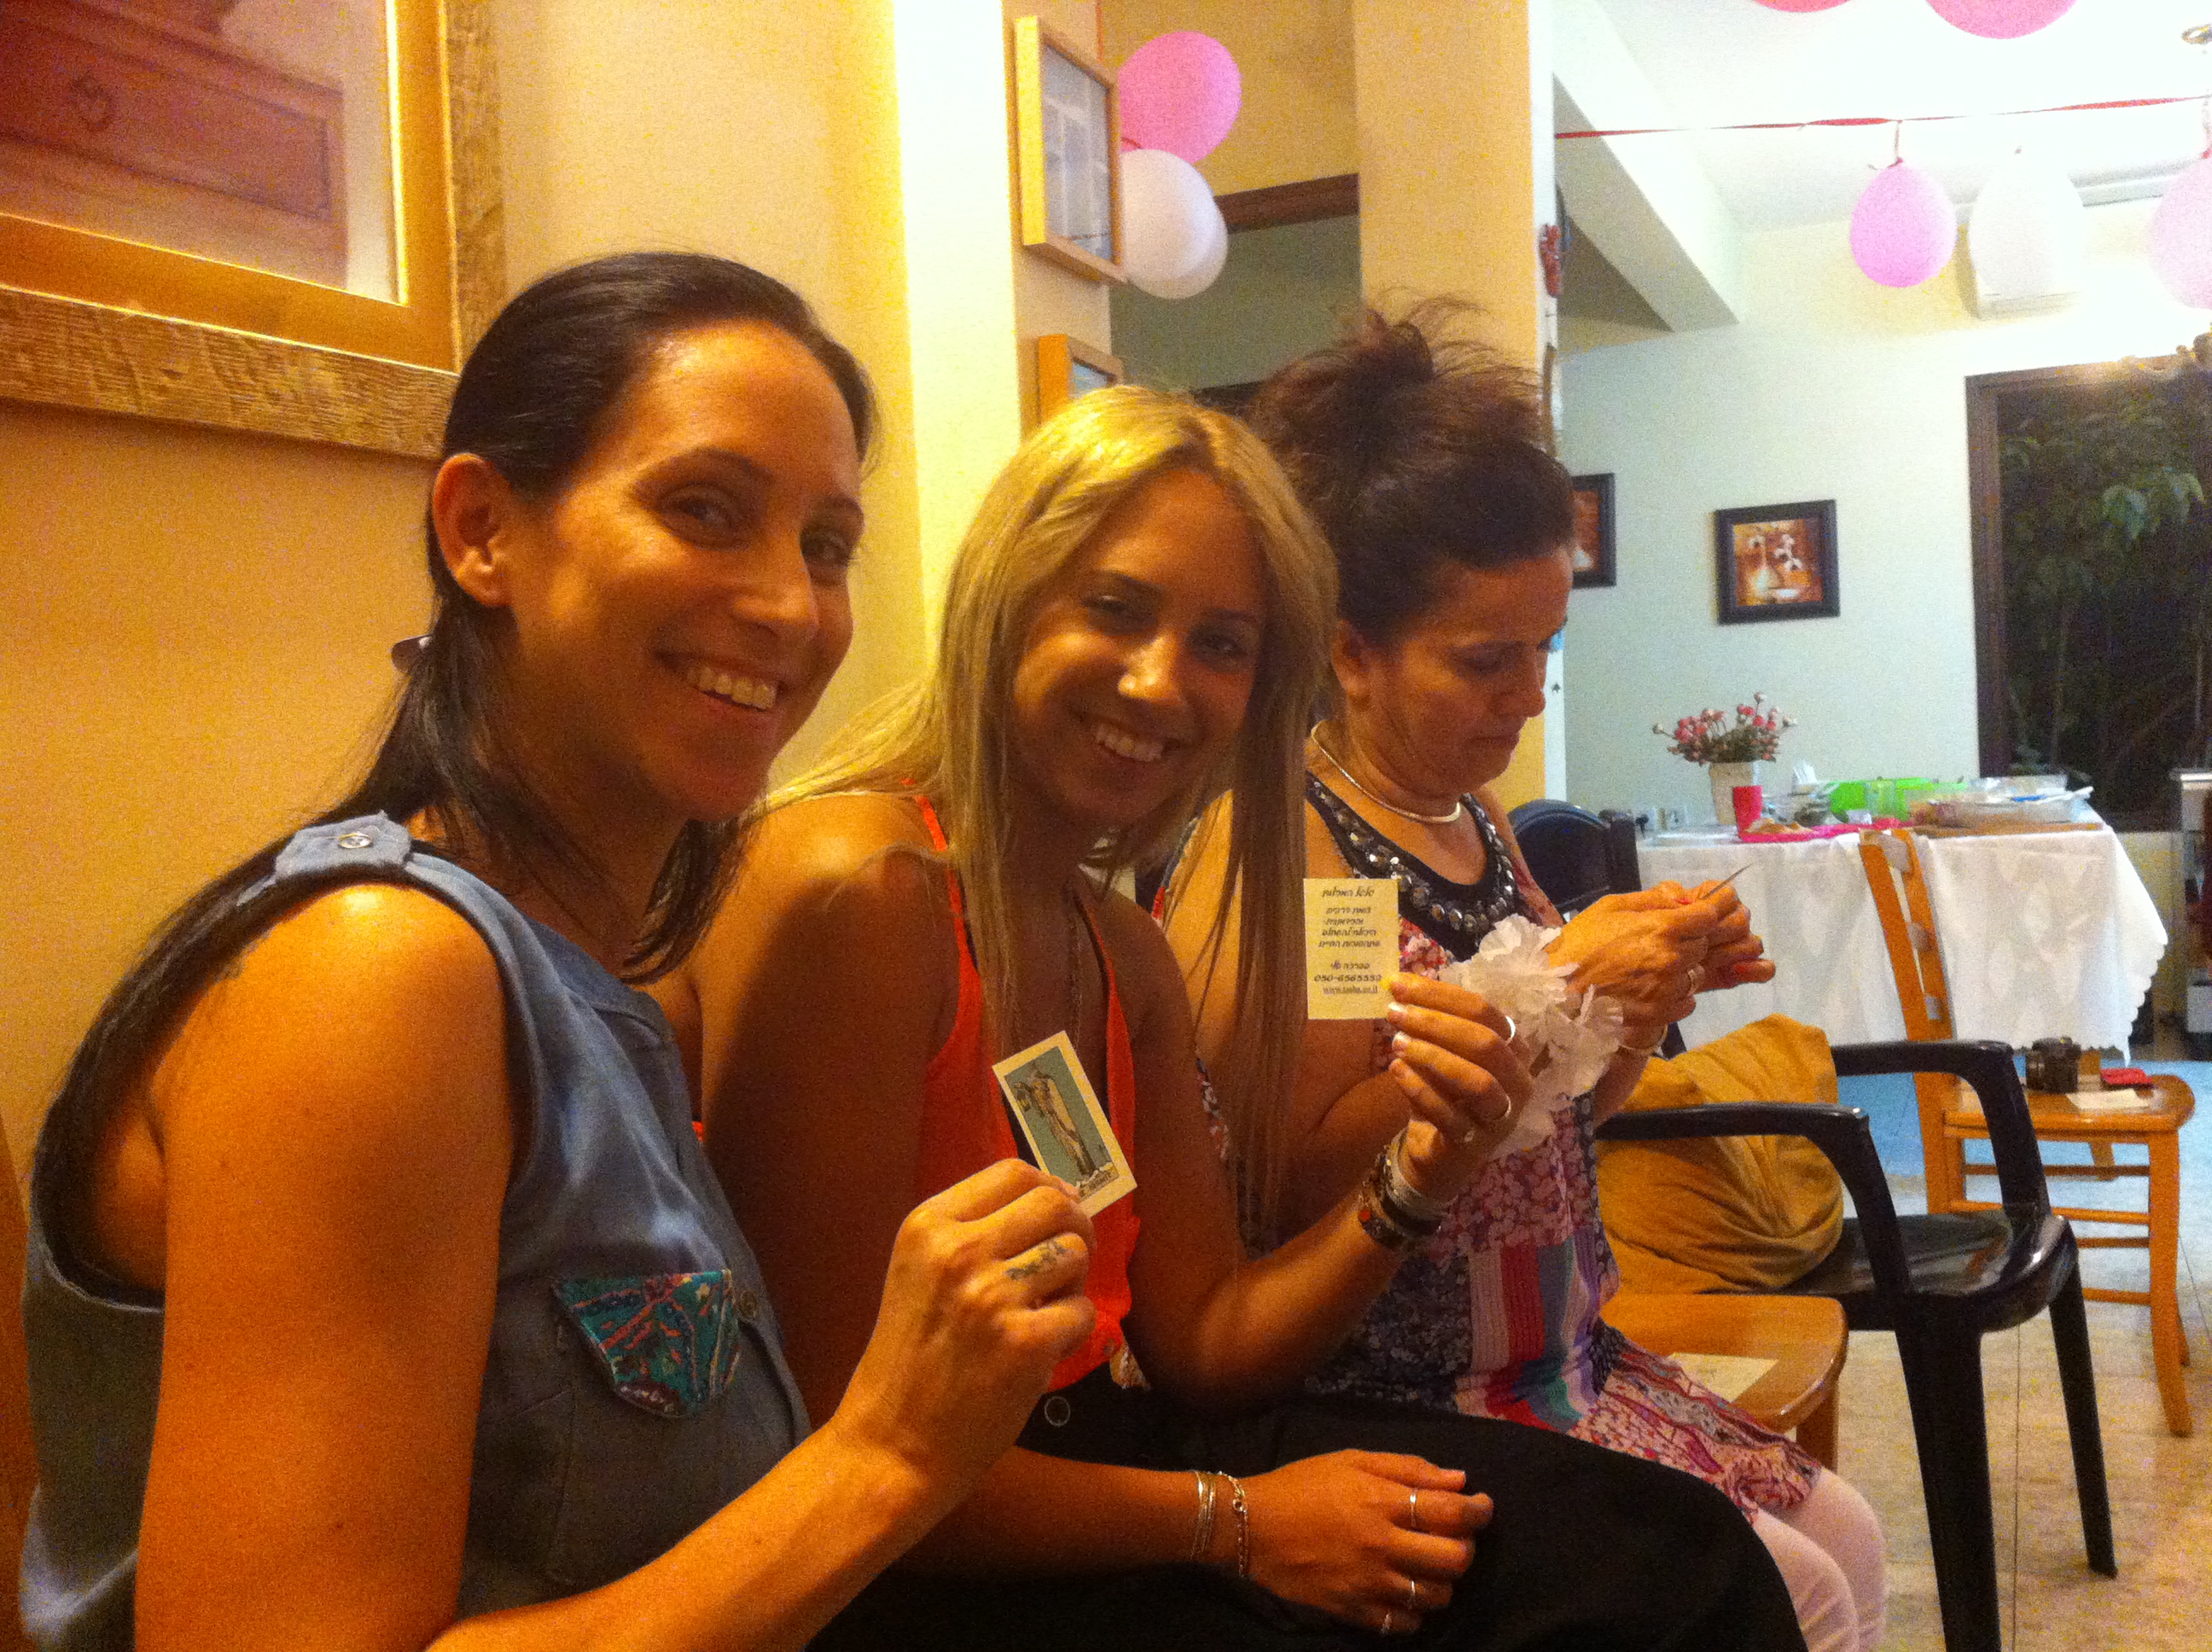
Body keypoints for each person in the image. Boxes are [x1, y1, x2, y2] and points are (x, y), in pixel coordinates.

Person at [20, 253, 1099, 1652]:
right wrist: (887, 1455)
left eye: (826, 546)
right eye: (705, 510)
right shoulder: (374, 974)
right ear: (482, 532)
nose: (791, 605)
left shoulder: (588, 982)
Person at [667, 385, 1806, 1649]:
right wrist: (1235, 1519)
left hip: (1146, 1440)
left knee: (1684, 1558)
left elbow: (1207, 1343)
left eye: (1221, 645)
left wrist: (1430, 1167)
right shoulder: (873, 887)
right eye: (1114, 609)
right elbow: (839, 1467)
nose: (1161, 682)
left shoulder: (1123, 949)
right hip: (939, 1557)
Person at [1161, 306, 1886, 1652]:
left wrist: (1635, 1009)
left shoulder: (1472, 817)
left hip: (1555, 1356)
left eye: (1542, 652)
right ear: (1349, 651)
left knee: (1844, 1535)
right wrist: (1550, 979)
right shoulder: (1306, 856)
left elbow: (1563, 1122)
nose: (1530, 698)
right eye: (1487, 662)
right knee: (1805, 1593)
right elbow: (1291, 1178)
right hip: (1407, 1396)